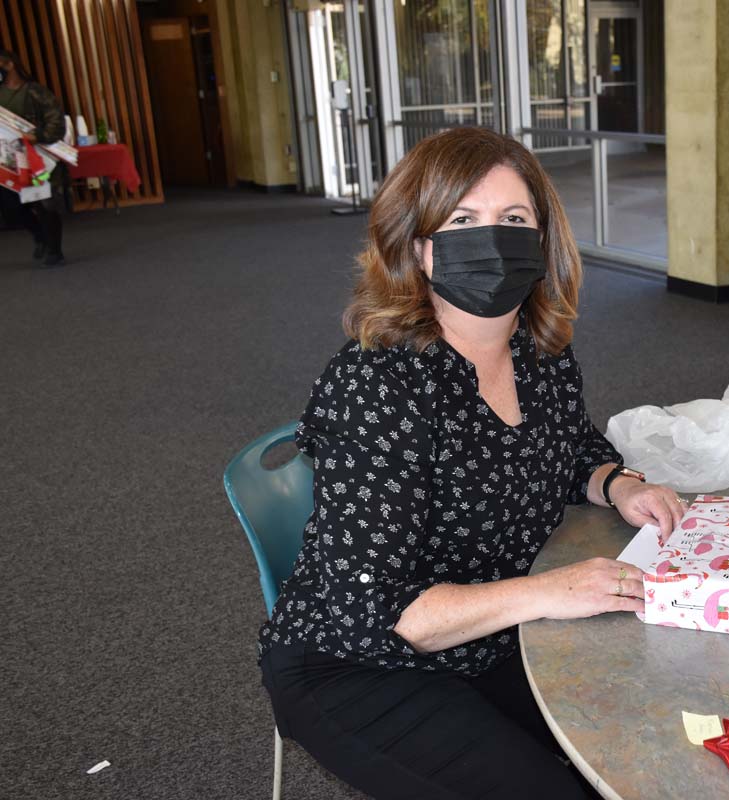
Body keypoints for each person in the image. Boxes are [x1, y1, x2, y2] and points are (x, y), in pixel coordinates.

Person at [258, 126, 687, 799]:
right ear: (420, 247)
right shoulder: (377, 385)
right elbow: (378, 611)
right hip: (360, 665)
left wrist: (619, 484)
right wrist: (549, 592)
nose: (492, 239)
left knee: (644, 741)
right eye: (463, 220)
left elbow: (570, 445)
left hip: (492, 632)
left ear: (543, 241)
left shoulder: (537, 351)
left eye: (514, 220)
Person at [0, 47, 67, 267]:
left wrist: (36, 136)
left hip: (38, 158)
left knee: (46, 204)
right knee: (11, 206)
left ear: (9, 64)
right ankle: (40, 236)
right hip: (8, 161)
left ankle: (54, 250)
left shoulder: (36, 92)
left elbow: (57, 124)